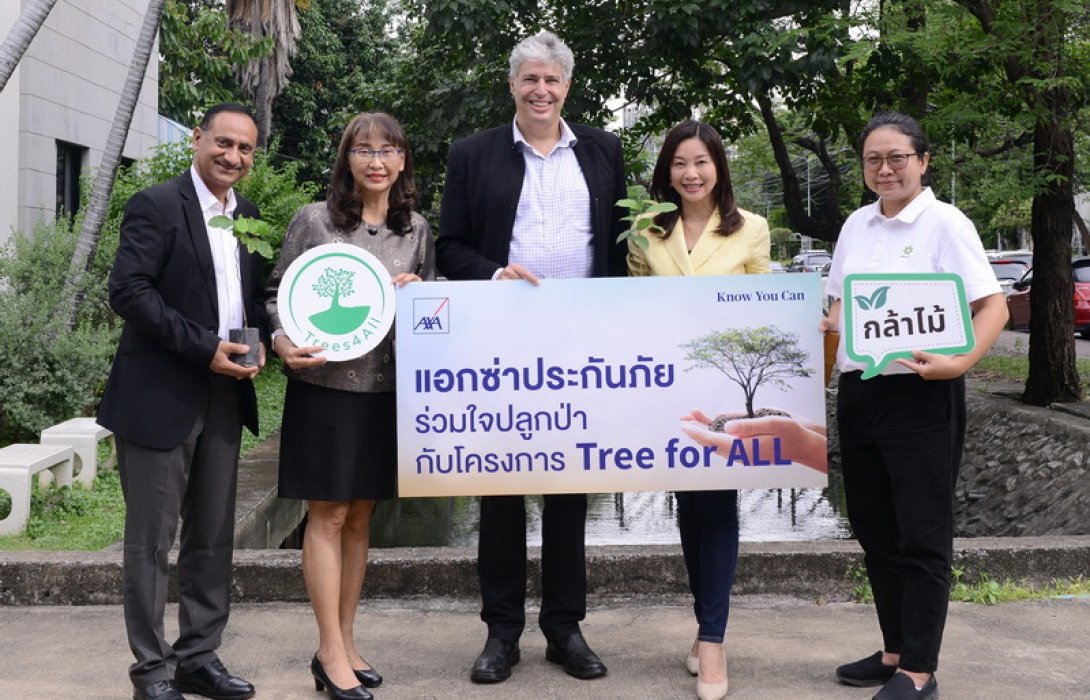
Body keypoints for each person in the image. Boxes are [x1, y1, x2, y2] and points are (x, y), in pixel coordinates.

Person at [436, 30, 627, 685]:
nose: (541, 90)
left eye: (552, 80)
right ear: (512, 85)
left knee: (571, 491)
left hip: (580, 346)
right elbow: (450, 246)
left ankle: (565, 628)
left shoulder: (604, 151)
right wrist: (493, 276)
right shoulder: (474, 154)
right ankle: (502, 632)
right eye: (529, 80)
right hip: (501, 345)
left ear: (567, 86)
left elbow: (621, 248)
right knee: (500, 492)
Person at [820, 112, 1007, 700]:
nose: (884, 169)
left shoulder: (946, 223)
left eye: (897, 157)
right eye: (873, 159)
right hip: (860, 393)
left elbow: (993, 307)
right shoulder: (856, 224)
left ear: (922, 161)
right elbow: (835, 311)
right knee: (875, 528)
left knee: (923, 532)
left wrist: (959, 364)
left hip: (923, 394)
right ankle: (895, 648)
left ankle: (920, 670)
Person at [98, 103, 267, 700]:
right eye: (224, 143)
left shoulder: (244, 215)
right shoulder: (156, 204)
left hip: (225, 395)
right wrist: (205, 348)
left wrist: (262, 341)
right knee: (150, 543)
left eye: (245, 149)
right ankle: (151, 671)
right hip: (158, 398)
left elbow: (250, 299)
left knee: (212, 537)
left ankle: (198, 657)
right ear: (198, 139)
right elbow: (130, 292)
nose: (233, 157)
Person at [266, 112, 435, 700]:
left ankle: (346, 639)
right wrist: (282, 341)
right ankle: (328, 650)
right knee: (329, 515)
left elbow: (433, 315)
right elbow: (277, 295)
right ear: (348, 160)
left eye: (389, 149)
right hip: (325, 391)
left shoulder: (416, 230)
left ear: (403, 160)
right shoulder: (314, 221)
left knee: (361, 515)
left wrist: (422, 297)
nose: (377, 160)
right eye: (364, 150)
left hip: (388, 392)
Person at [627, 120, 771, 700]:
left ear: (720, 168)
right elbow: (633, 305)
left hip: (724, 392)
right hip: (662, 388)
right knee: (690, 507)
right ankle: (705, 626)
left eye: (702, 162)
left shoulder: (752, 229)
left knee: (718, 506)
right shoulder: (644, 232)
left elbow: (766, 305)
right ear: (666, 172)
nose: (690, 174)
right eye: (679, 164)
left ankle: (713, 639)